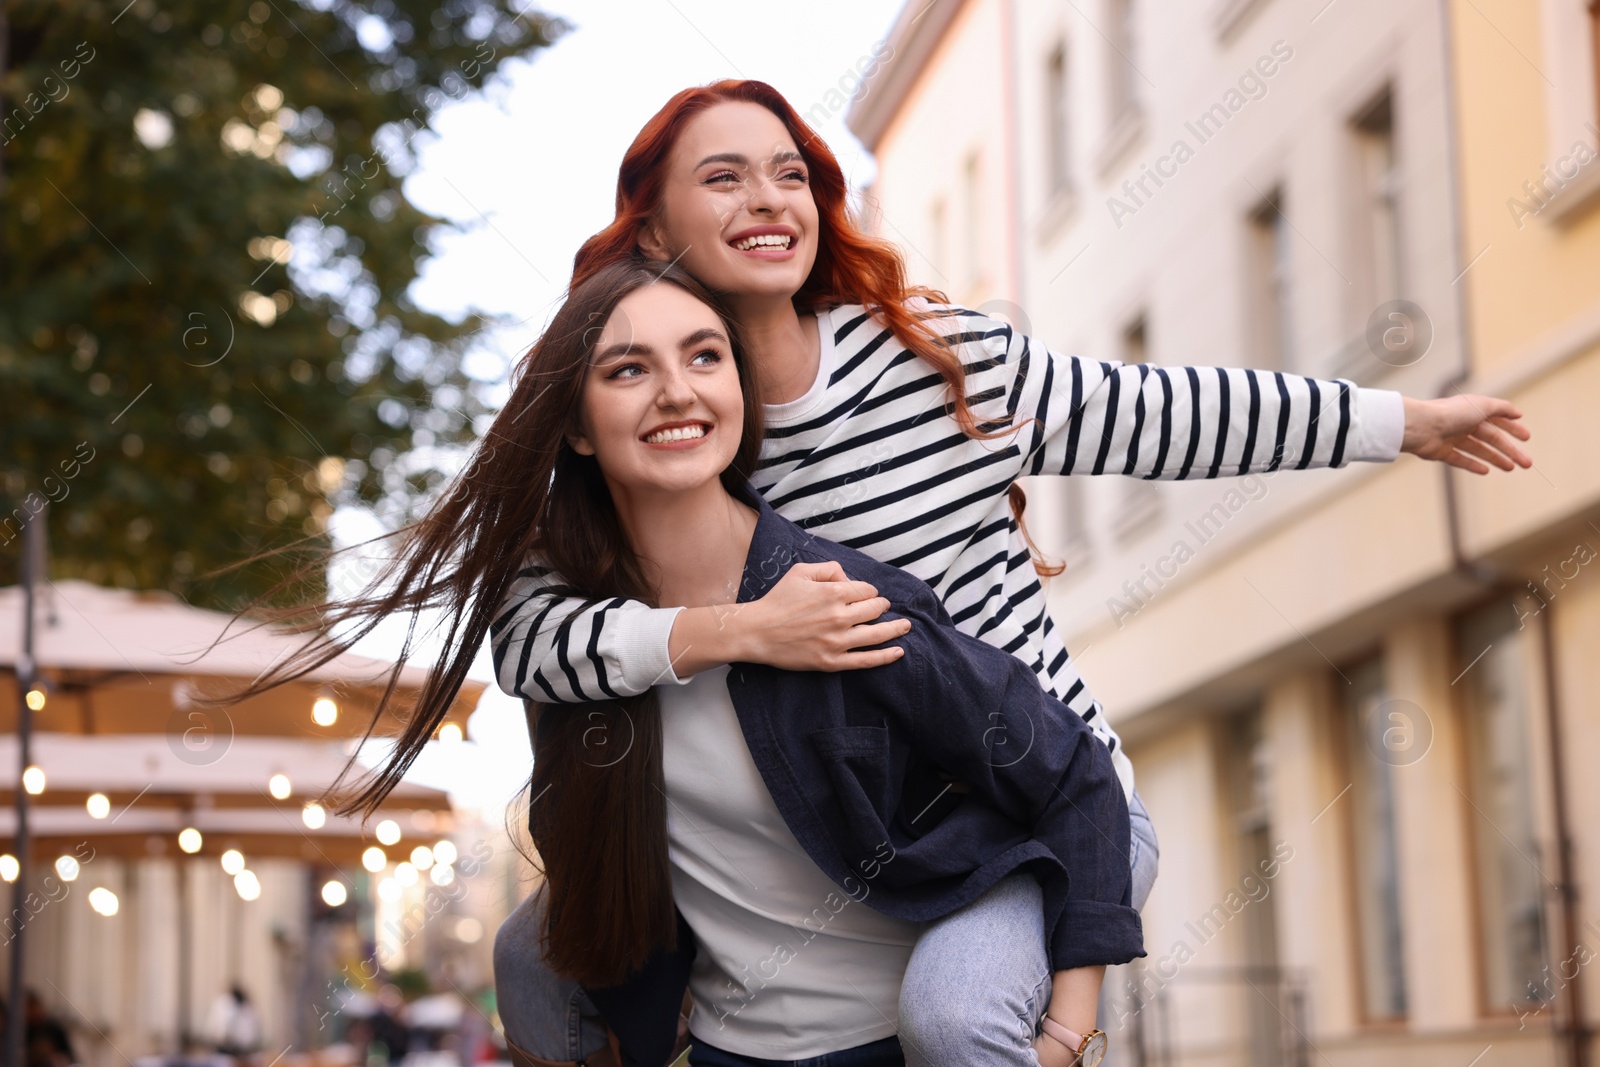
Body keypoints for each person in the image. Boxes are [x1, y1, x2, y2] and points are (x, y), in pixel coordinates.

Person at [484, 79, 1532, 1062]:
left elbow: (1164, 412)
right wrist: (739, 629)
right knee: (531, 955)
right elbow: (536, 626)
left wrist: (1405, 419)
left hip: (1040, 797)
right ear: (653, 231)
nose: (767, 199)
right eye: (724, 178)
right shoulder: (675, 430)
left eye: (789, 172)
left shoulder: (938, 361)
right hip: (871, 814)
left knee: (954, 1013)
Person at [514, 257, 1142, 1066]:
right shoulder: (576, 645)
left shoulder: (841, 604)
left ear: (740, 392)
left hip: (907, 1045)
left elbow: (1075, 774)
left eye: (706, 356)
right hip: (729, 1051)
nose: (677, 390)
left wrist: (1065, 1032)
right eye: (628, 368)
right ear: (573, 424)